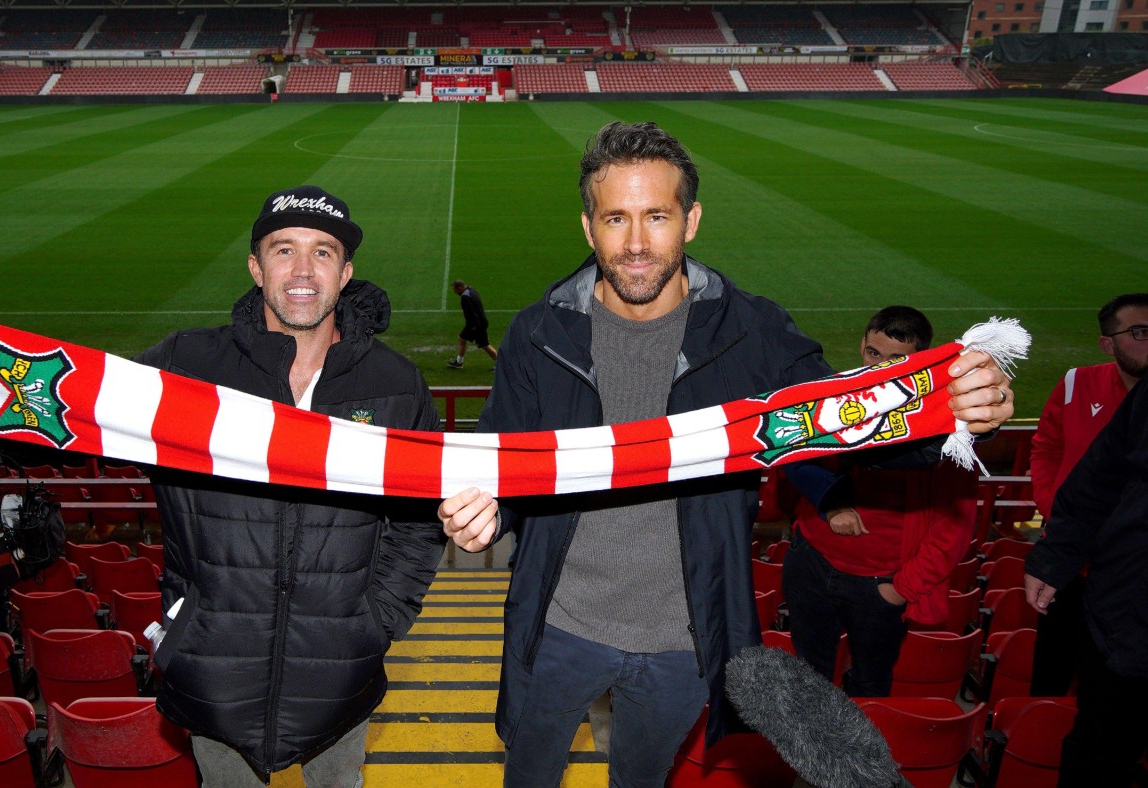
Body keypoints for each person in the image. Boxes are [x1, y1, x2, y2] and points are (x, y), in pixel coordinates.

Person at [437, 121, 1016, 787]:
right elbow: (502, 456)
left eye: (657, 215)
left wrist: (951, 417)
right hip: (557, 624)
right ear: (587, 228)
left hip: (684, 640)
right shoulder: (540, 333)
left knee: (640, 779)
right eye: (615, 218)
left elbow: (847, 429)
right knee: (529, 776)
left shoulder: (754, 332)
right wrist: (490, 512)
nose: (634, 243)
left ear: (692, 220)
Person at [0, 185, 447, 787]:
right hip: (212, 670)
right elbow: (55, 415)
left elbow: (419, 522)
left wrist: (377, 621)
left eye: (323, 251)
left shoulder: (394, 384)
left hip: (341, 668)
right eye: (284, 249)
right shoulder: (185, 368)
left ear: (346, 272)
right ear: (256, 268)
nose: (303, 268)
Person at [781, 306, 978, 697]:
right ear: (862, 346)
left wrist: (900, 589)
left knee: (869, 688)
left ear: (919, 360)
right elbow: (791, 455)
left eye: (896, 360)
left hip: (881, 585)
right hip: (812, 563)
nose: (881, 368)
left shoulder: (946, 424)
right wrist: (830, 504)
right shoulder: (833, 393)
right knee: (808, 680)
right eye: (874, 354)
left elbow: (955, 524)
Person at [1024, 377, 1148, 788]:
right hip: (1128, 616)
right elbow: (1103, 474)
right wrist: (1055, 554)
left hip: (1124, 608)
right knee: (1101, 748)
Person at [1028, 292, 1147, 695]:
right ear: (1107, 343)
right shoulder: (1077, 383)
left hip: (1129, 573)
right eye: (1138, 332)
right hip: (1070, 563)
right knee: (1052, 671)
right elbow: (1045, 448)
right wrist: (1056, 514)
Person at [448, 279, 498, 369]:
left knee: (484, 345)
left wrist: (473, 327)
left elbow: (470, 313)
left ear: (460, 288)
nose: (455, 292)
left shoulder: (465, 297)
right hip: (478, 322)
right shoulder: (471, 290)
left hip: (476, 324)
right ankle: (459, 362)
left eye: (455, 290)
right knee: (462, 339)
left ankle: (501, 363)